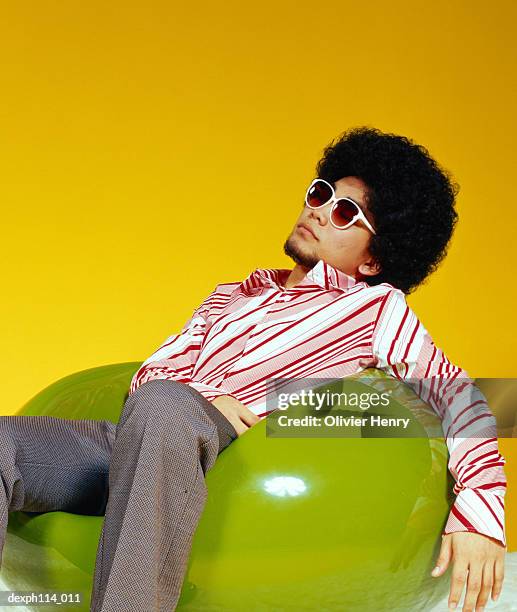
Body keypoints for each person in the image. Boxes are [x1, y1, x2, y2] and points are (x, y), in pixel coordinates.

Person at [0, 126, 506, 612]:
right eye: (322, 194)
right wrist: (189, 400)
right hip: (136, 437)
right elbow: (155, 371)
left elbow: (460, 398)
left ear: (374, 261)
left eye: (347, 213)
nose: (323, 212)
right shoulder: (234, 294)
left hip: (220, 452)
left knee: (164, 407)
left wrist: (481, 517)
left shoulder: (376, 310)